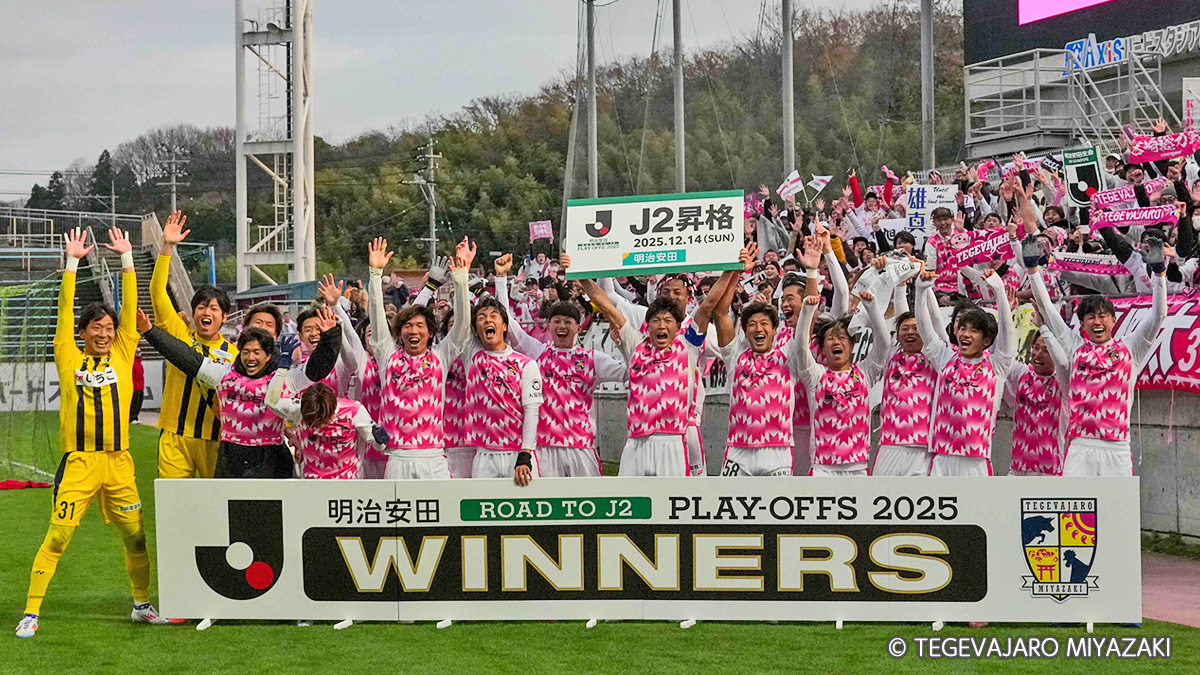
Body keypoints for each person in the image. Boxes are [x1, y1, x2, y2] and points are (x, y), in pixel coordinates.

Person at [18, 227, 178, 639]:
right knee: (57, 538)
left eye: (109, 327)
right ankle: (31, 612)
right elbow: (64, 310)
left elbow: (131, 309)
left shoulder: (124, 351)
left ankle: (141, 605)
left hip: (119, 464)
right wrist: (72, 263)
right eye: (96, 328)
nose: (104, 333)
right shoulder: (68, 356)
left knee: (136, 538)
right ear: (83, 332)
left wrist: (127, 258)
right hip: (80, 464)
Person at [576, 259, 738, 476]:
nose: (661, 325)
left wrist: (730, 271)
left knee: (673, 497)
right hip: (635, 443)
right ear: (648, 324)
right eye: (656, 320)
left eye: (668, 321)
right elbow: (605, 304)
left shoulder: (687, 346)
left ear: (678, 326)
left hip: (672, 442)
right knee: (631, 498)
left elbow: (708, 306)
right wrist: (579, 275)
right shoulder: (635, 344)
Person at [139, 307, 341, 478]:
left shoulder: (285, 377)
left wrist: (331, 336)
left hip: (272, 460)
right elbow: (186, 357)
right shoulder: (223, 373)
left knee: (272, 513)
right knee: (229, 513)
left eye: (257, 353)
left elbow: (318, 369)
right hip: (231, 459)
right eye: (246, 352)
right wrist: (150, 331)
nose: (250, 358)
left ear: (268, 355)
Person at [1027, 249, 1167, 476]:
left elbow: (1159, 316)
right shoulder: (1075, 347)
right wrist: (1033, 270)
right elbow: (1048, 310)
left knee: (1117, 501)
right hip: (1079, 445)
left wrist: (1159, 274)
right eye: (1091, 317)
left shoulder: (1131, 348)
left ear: (1114, 320)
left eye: (1103, 316)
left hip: (1117, 446)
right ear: (1082, 324)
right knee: (1074, 502)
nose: (1097, 321)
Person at [494, 253, 625, 477]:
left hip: (580, 446)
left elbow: (629, 372)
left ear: (578, 327)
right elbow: (509, 323)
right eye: (556, 321)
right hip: (544, 447)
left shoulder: (592, 358)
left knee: (590, 498)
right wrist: (500, 278)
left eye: (568, 322)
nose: (562, 326)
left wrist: (622, 344)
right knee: (547, 499)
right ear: (548, 325)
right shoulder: (538, 352)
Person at [366, 236, 472, 479]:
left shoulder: (441, 357)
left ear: (430, 332)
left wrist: (461, 279)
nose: (413, 331)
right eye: (408, 326)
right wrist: (375, 274)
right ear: (399, 332)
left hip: (433, 457)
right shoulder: (387, 356)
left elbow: (462, 326)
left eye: (420, 326)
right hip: (397, 458)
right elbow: (376, 315)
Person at [151, 211, 237, 479]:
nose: (206, 313)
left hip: (214, 438)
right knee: (174, 499)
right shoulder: (179, 333)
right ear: (193, 312)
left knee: (216, 500)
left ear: (224, 317)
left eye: (214, 308)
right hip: (174, 435)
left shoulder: (234, 355)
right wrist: (167, 247)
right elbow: (157, 292)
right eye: (201, 307)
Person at [795, 238, 890, 476]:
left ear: (851, 345)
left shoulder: (865, 373)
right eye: (830, 339)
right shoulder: (815, 376)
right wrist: (807, 310)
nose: (836, 342)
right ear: (822, 347)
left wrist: (871, 307)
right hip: (822, 469)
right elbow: (801, 348)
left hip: (858, 468)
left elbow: (884, 343)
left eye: (841, 338)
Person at [710, 245, 803, 476]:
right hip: (737, 452)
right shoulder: (735, 356)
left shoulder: (788, 355)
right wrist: (736, 272)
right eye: (752, 324)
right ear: (744, 330)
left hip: (778, 451)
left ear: (775, 331)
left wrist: (810, 272)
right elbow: (719, 313)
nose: (758, 329)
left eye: (764, 324)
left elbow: (806, 315)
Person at [915, 265, 1016, 476]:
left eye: (974, 330)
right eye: (962, 328)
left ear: (987, 340)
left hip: (976, 461)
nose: (965, 334)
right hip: (942, 458)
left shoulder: (996, 366)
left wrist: (999, 291)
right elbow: (924, 328)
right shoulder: (945, 358)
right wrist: (920, 290)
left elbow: (1008, 334)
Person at [458, 288, 543, 485]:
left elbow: (531, 411)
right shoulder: (471, 357)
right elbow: (461, 321)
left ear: (504, 326)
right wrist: (461, 279)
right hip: (484, 456)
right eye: (481, 318)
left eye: (493, 316)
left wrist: (525, 454)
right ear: (476, 330)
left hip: (518, 455)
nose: (487, 320)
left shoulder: (526, 364)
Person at [265, 382, 387, 480]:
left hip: (348, 483)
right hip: (311, 483)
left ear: (333, 409)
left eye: (322, 420)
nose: (319, 426)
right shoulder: (298, 409)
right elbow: (270, 401)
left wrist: (380, 439)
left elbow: (379, 445)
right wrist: (283, 367)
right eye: (313, 423)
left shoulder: (354, 411)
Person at [1003, 332, 1069, 476]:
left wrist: (1044, 327)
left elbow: (1063, 364)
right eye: (1035, 347)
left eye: (1046, 350)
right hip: (1017, 469)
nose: (1038, 354)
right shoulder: (1021, 374)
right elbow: (1002, 355)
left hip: (1049, 472)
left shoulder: (1064, 384)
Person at [129, 349, 145, 425]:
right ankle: (132, 418)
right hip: (135, 386)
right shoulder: (132, 363)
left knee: (139, 403)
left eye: (139, 352)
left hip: (140, 385)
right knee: (134, 403)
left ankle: (135, 417)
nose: (138, 353)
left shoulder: (139, 363)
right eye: (137, 352)